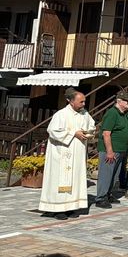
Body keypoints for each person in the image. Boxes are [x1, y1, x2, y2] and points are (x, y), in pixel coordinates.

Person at [38, 90, 94, 219]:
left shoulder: (85, 114)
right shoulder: (61, 115)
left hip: (78, 153)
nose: (84, 104)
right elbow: (52, 131)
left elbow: (92, 126)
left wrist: (88, 132)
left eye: (84, 101)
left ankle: (72, 207)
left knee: (75, 179)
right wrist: (73, 133)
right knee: (60, 180)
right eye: (81, 102)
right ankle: (58, 209)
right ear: (71, 101)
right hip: (62, 154)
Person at [95, 90, 128, 209]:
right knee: (106, 174)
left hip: (121, 149)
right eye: (127, 101)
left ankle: (109, 193)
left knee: (114, 175)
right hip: (111, 150)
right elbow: (106, 133)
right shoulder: (112, 113)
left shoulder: (125, 114)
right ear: (119, 101)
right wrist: (109, 151)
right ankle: (101, 198)